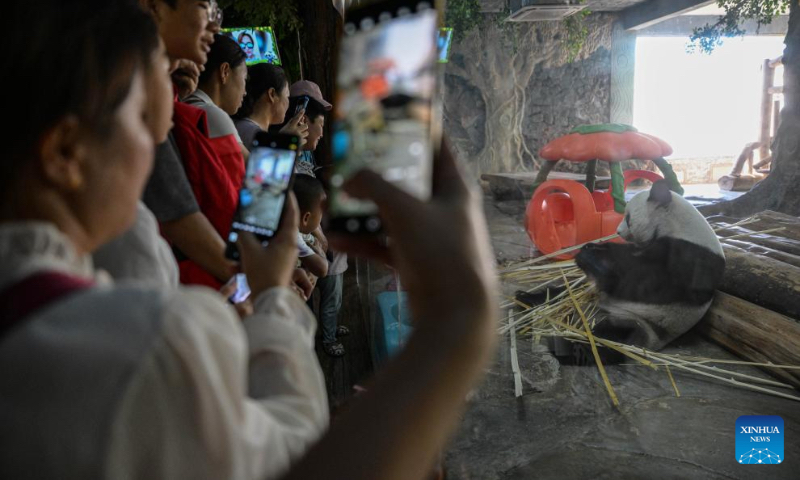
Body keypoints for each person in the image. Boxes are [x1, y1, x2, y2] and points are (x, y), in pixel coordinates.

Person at [2, 2, 328, 479]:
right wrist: (274, 294)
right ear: (66, 152)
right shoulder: (153, 341)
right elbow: (296, 450)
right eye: (140, 120)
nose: (156, 151)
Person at [233, 63, 308, 151]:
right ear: (272, 94)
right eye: (287, 96)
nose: (288, 103)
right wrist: (284, 143)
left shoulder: (242, 127)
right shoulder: (253, 134)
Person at [293, 175, 329, 280]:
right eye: (321, 213)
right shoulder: (291, 233)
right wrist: (320, 253)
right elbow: (322, 269)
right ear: (306, 218)